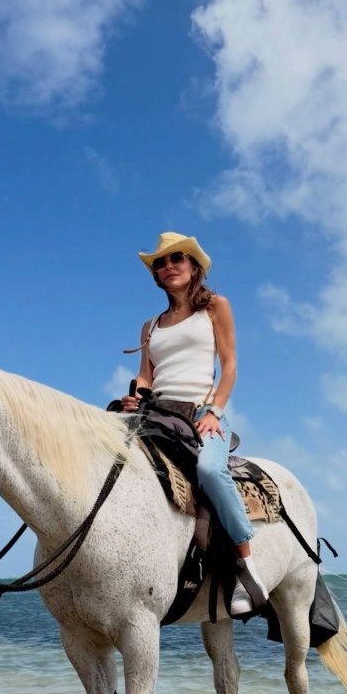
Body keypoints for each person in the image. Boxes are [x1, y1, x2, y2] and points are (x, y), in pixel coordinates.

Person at [121, 231, 266, 616]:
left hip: (201, 410)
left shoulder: (216, 307)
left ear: (193, 266)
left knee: (210, 471)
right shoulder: (150, 326)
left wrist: (216, 411)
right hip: (155, 411)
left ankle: (246, 570)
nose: (168, 267)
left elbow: (230, 365)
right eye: (161, 263)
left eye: (177, 259)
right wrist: (136, 393)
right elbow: (146, 375)